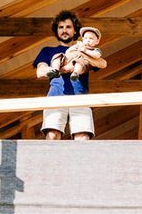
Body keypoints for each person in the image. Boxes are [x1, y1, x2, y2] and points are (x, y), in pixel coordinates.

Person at [33, 12, 104, 140]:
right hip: (55, 97)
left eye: (68, 27)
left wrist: (84, 54)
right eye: (61, 27)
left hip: (80, 98)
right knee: (53, 135)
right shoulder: (48, 51)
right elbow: (40, 72)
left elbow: (101, 63)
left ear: (75, 30)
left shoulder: (83, 49)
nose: (64, 30)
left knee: (82, 137)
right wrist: (66, 68)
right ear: (56, 30)